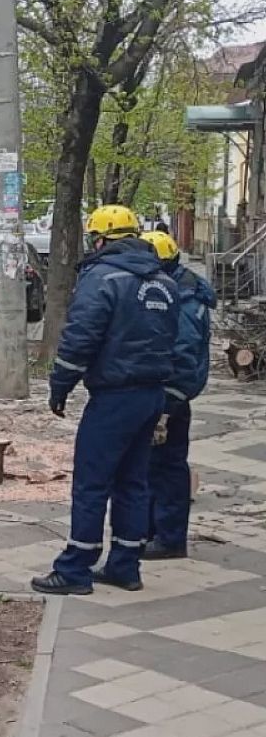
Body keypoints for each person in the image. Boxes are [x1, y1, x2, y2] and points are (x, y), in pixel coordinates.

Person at [32, 204, 179, 596]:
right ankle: (125, 566)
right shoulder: (165, 282)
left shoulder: (103, 277)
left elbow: (80, 337)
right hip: (152, 395)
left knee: (92, 482)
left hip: (114, 396)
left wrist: (60, 384)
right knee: (133, 482)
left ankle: (75, 569)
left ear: (100, 239)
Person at [141, 230, 215, 560]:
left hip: (170, 398)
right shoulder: (178, 290)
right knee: (154, 465)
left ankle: (169, 538)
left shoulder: (183, 301)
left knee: (167, 467)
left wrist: (168, 403)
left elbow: (183, 354)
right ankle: (155, 530)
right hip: (166, 393)